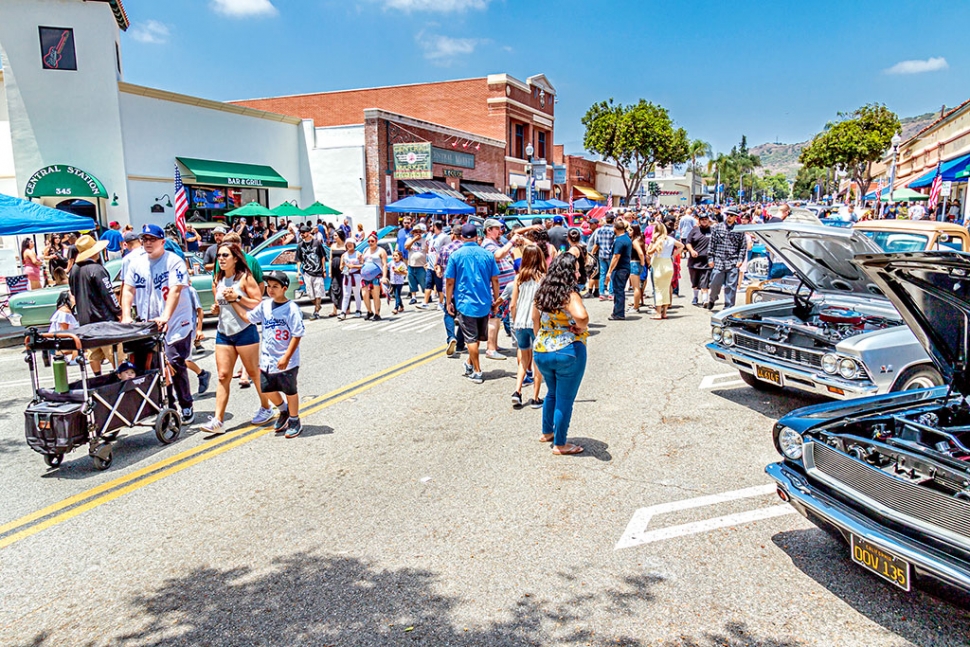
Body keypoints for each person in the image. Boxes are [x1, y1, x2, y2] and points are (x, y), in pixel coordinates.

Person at [120, 224, 196, 425]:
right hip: (150, 324)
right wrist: (126, 314)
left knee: (173, 361)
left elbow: (175, 290)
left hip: (177, 321)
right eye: (144, 239)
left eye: (152, 239)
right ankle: (167, 406)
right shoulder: (137, 264)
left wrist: (165, 316)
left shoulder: (173, 261)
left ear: (163, 242)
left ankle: (186, 404)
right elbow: (127, 290)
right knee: (153, 366)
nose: (148, 243)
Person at [198, 242, 272, 434]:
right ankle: (218, 420)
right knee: (223, 375)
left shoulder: (245, 278)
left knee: (253, 373)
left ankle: (266, 407)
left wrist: (237, 298)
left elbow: (257, 302)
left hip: (245, 330)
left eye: (225, 256)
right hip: (224, 331)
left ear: (236, 258)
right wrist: (216, 308)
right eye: (219, 256)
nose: (221, 259)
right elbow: (218, 303)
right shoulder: (218, 278)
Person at [227, 271, 305, 438]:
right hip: (268, 358)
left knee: (289, 390)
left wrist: (286, 356)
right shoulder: (265, 305)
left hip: (286, 359)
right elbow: (248, 317)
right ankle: (283, 411)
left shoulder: (291, 309)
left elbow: (297, 334)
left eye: (275, 287)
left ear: (284, 288)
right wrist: (233, 301)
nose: (270, 289)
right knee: (267, 389)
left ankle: (294, 419)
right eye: (269, 286)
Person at [532, 253, 589, 455]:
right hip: (567, 350)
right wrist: (580, 328)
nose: (578, 271)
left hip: (542, 350)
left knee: (552, 393)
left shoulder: (542, 291)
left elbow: (534, 320)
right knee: (565, 398)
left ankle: (547, 432)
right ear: (568, 272)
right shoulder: (569, 294)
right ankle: (560, 443)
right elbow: (581, 316)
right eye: (575, 268)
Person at [444, 223, 499, 385]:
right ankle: (469, 363)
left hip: (465, 302)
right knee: (477, 337)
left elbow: (449, 281)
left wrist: (448, 301)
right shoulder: (487, 255)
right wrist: (496, 299)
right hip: (484, 301)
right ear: (477, 236)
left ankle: (477, 371)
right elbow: (495, 279)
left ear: (461, 237)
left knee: (471, 339)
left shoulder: (456, 255)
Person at [69, 234, 122, 375]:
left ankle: (97, 378)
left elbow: (73, 292)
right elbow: (108, 293)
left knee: (93, 354)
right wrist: (118, 312)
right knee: (115, 353)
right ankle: (121, 380)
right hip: (103, 319)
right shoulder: (97, 269)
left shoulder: (74, 270)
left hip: (85, 320)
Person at [510, 244, 545, 408]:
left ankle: (517, 391)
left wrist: (515, 320)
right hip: (535, 322)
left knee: (524, 360)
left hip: (520, 323)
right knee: (537, 361)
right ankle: (536, 397)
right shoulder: (542, 277)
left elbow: (512, 305)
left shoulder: (518, 278)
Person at [481, 219, 519, 360]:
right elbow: (498, 255)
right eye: (497, 228)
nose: (500, 231)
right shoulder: (488, 244)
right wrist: (511, 242)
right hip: (496, 289)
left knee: (498, 319)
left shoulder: (496, 243)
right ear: (489, 230)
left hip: (504, 288)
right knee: (494, 318)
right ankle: (491, 348)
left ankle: (494, 345)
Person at [705, 210, 747, 310]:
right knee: (715, 283)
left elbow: (743, 246)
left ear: (736, 217)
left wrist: (740, 259)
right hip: (719, 260)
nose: (729, 217)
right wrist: (710, 258)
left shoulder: (739, 229)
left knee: (731, 286)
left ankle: (728, 307)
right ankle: (712, 299)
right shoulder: (717, 227)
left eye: (731, 215)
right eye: (727, 215)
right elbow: (711, 244)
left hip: (732, 261)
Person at [645, 222, 684, 320]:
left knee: (658, 289)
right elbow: (681, 246)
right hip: (668, 263)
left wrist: (652, 241)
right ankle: (665, 312)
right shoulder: (670, 239)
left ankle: (658, 312)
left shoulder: (658, 240)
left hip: (659, 264)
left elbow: (649, 252)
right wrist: (673, 255)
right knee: (666, 288)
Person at [295, 226, 327, 320]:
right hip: (307, 272)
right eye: (301, 232)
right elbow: (298, 259)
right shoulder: (300, 245)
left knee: (318, 292)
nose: (302, 234)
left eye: (304, 232)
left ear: (309, 233)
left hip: (317, 272)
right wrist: (298, 270)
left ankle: (316, 312)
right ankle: (318, 305)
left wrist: (324, 269)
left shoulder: (317, 243)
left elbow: (323, 257)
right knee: (310, 294)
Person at [604, 220, 632, 321]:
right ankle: (617, 311)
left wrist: (610, 271)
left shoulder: (620, 241)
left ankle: (619, 313)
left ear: (615, 228)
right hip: (625, 267)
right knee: (619, 290)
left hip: (620, 268)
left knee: (618, 291)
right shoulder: (626, 238)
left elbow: (616, 256)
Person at [685, 213, 713, 307]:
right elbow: (688, 243)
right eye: (702, 219)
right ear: (699, 220)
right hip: (694, 261)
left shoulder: (712, 231)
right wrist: (692, 250)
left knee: (705, 282)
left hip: (707, 261)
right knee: (695, 282)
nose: (704, 221)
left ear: (708, 220)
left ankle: (705, 300)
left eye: (706, 219)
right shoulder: (694, 231)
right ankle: (695, 297)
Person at [360, 231, 388, 321]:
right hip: (365, 276)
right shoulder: (365, 250)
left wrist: (384, 276)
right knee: (364, 294)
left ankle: (377, 313)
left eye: (372, 241)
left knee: (375, 295)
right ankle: (369, 311)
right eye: (368, 241)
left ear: (376, 241)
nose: (370, 243)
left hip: (376, 276)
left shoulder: (381, 251)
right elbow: (363, 262)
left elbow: (384, 264)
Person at [590, 214, 616, 299]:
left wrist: (592, 253)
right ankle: (611, 293)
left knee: (602, 273)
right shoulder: (614, 230)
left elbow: (597, 243)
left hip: (601, 254)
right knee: (611, 273)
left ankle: (601, 293)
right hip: (611, 254)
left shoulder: (600, 230)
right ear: (613, 220)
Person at [338, 237, 363, 320]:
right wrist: (344, 267)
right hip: (347, 275)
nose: (349, 245)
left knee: (356, 293)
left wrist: (353, 266)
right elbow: (341, 266)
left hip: (356, 276)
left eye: (351, 244)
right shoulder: (344, 255)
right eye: (347, 244)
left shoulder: (358, 254)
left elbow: (362, 265)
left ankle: (358, 310)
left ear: (354, 245)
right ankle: (343, 312)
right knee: (346, 294)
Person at [405, 223, 428, 304]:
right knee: (411, 281)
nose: (418, 233)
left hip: (421, 265)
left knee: (423, 281)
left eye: (419, 232)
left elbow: (428, 251)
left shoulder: (424, 241)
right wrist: (414, 239)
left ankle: (427, 296)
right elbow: (406, 247)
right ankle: (413, 297)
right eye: (416, 232)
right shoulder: (409, 240)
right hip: (411, 265)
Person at [628, 223, 646, 313]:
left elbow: (641, 253)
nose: (629, 231)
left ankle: (635, 306)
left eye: (631, 230)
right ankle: (636, 304)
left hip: (634, 263)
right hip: (637, 263)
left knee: (636, 287)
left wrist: (642, 262)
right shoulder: (640, 239)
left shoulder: (635, 241)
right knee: (637, 286)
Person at [328, 229, 346, 316]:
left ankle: (346, 308)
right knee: (334, 288)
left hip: (343, 271)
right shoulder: (333, 246)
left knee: (344, 288)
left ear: (340, 236)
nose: (334, 237)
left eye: (335, 235)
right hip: (334, 270)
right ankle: (334, 310)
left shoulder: (346, 246)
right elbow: (330, 259)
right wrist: (330, 271)